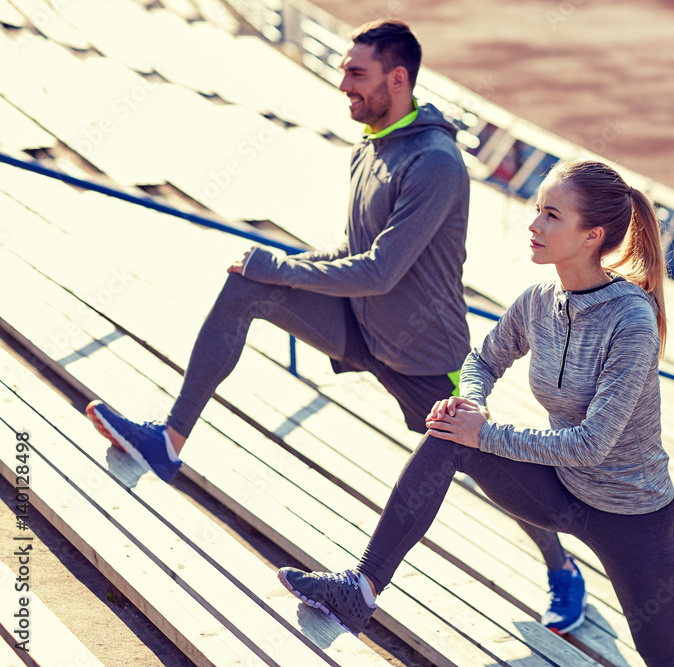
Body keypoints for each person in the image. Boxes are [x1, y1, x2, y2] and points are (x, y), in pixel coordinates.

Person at [85, 19, 585, 634]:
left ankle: (562, 566)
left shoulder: (436, 163)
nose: (342, 83)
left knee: (488, 469)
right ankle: (168, 443)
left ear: (397, 80)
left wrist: (282, 266)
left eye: (357, 74)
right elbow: (351, 249)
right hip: (362, 327)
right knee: (249, 285)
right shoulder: (372, 143)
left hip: (426, 354)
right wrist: (279, 265)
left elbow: (379, 270)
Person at [277, 160, 674, 666]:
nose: (534, 225)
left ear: (592, 235)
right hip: (561, 493)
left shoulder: (630, 321)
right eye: (537, 210)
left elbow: (591, 445)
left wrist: (485, 432)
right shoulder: (540, 300)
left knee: (665, 661)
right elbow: (482, 359)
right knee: (450, 432)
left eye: (552, 216)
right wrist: (470, 403)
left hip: (633, 518)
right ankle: (360, 589)